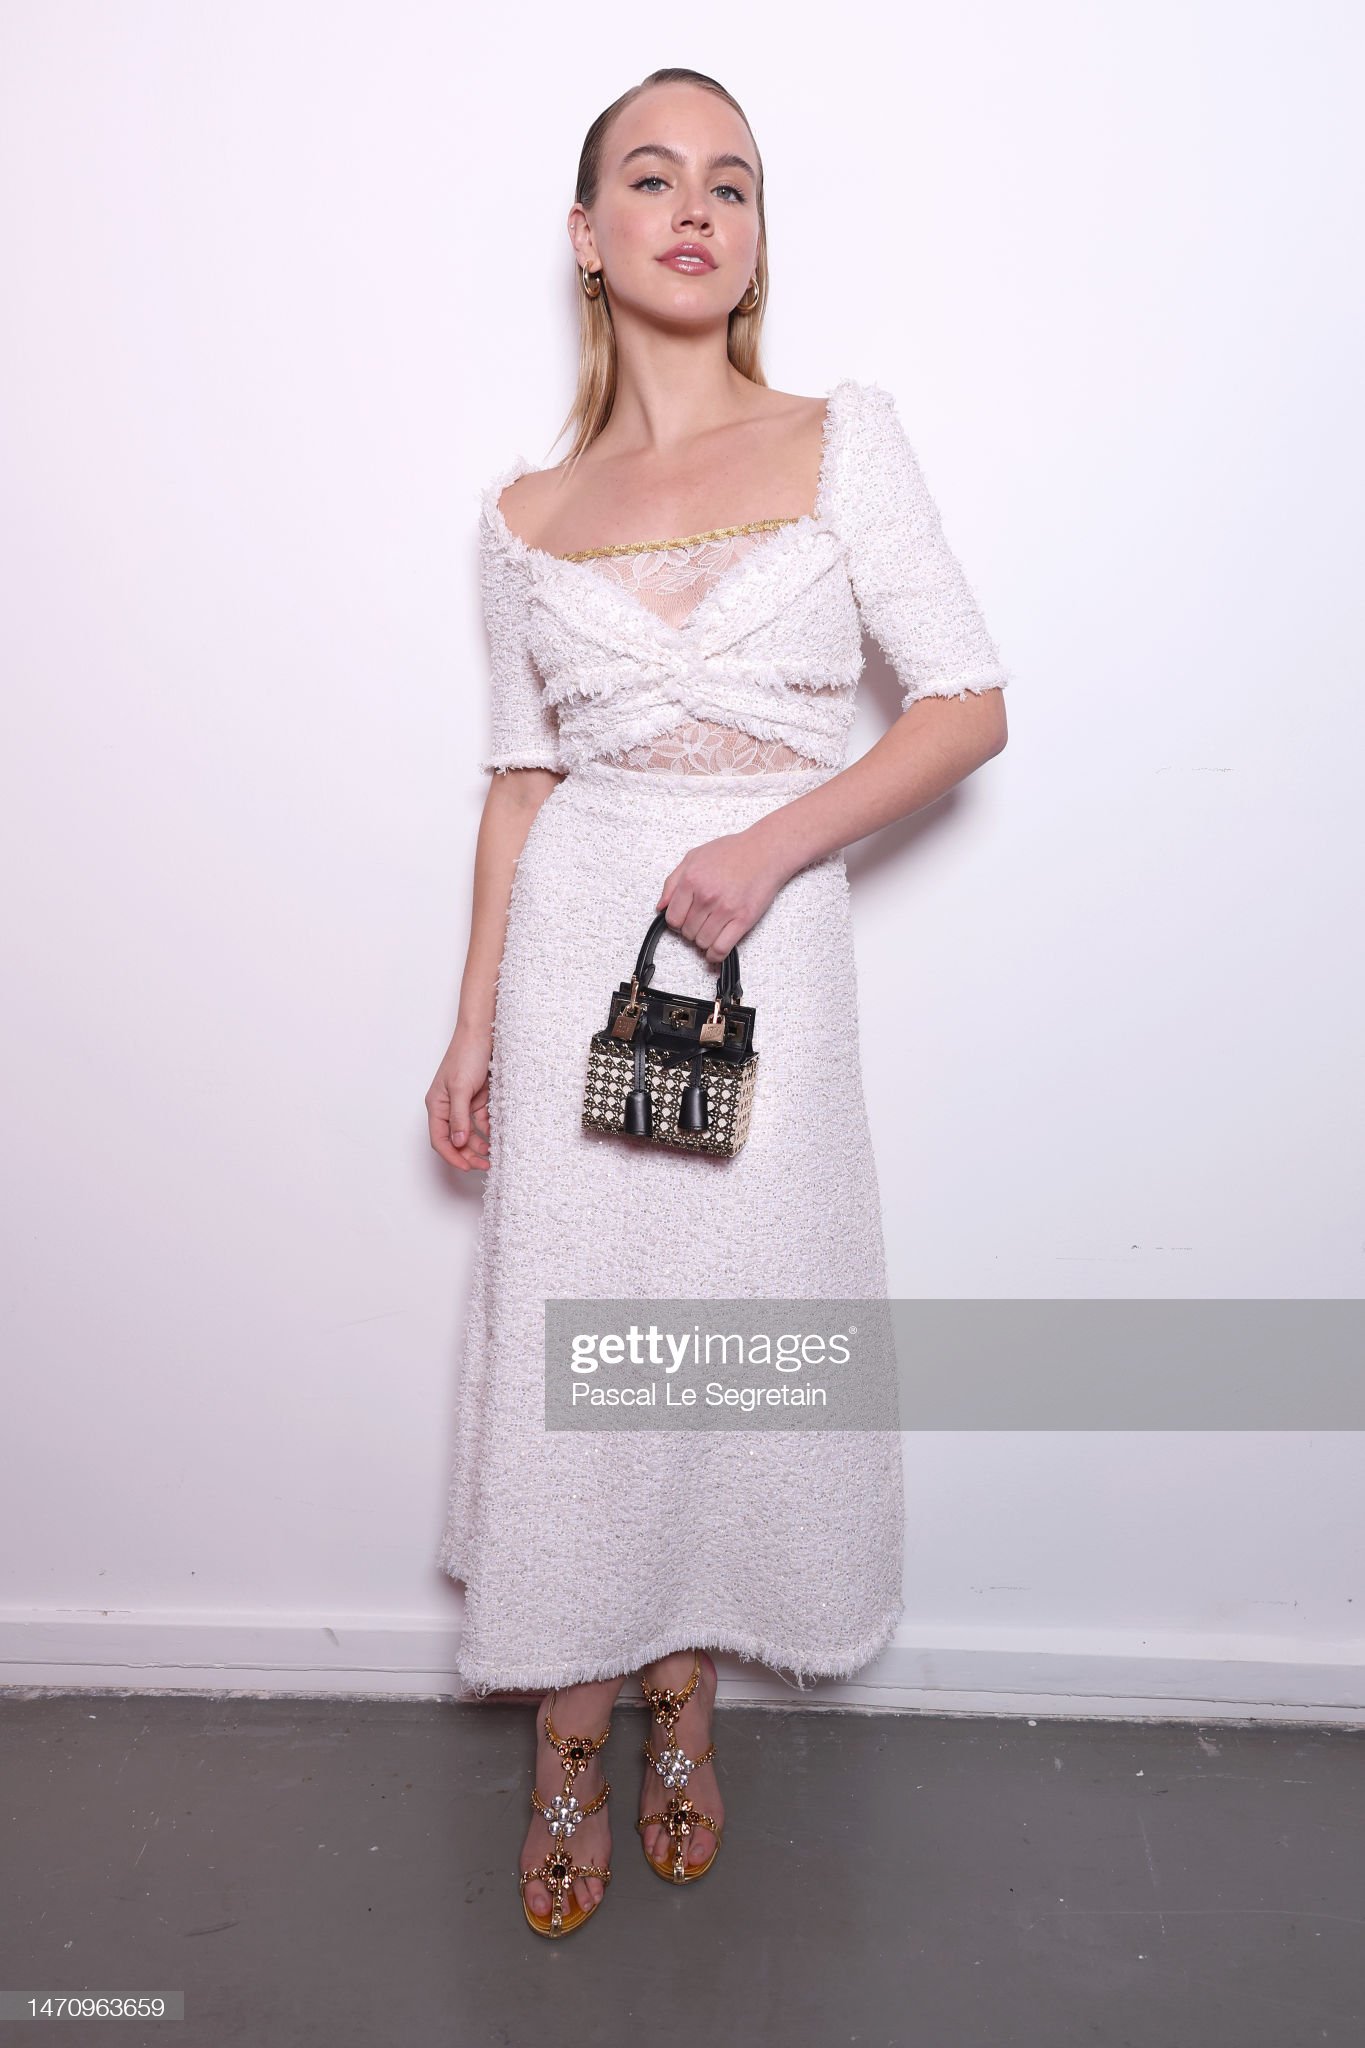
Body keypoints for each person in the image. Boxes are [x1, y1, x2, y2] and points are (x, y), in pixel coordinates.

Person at [426, 66, 1011, 1938]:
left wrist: (768, 849)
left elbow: (964, 705)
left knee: (731, 1333)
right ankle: (573, 1727)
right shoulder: (522, 514)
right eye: (653, 177)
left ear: (755, 241)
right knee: (579, 1347)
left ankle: (686, 1687)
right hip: (578, 952)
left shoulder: (842, 441)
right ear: (587, 235)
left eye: (732, 184)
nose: (695, 208)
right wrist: (469, 1023)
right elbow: (520, 781)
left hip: (770, 951)